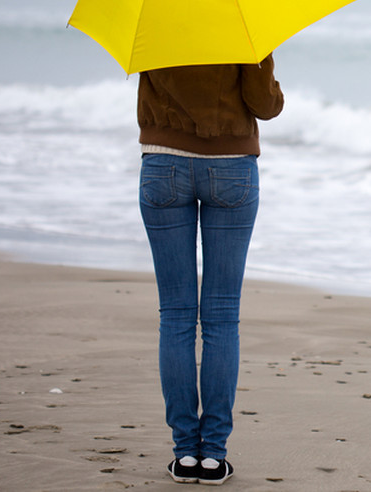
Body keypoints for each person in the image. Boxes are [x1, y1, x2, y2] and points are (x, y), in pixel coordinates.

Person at [136, 58, 284, 485]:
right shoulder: (242, 20)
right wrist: (274, 90)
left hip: (163, 167)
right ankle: (214, 454)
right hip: (231, 166)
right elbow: (265, 105)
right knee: (221, 315)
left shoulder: (154, 13)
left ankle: (185, 453)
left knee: (177, 314)